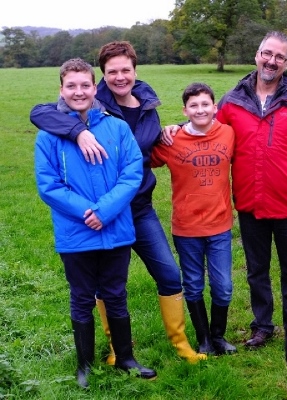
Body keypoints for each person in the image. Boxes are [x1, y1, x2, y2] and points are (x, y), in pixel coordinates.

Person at [30, 41, 205, 364]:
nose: (120, 77)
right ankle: (117, 351)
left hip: (137, 209)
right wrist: (77, 132)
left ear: (135, 71)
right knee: (105, 287)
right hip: (97, 215)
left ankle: (181, 345)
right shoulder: (95, 102)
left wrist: (173, 128)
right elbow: (41, 112)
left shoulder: (148, 104)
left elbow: (142, 156)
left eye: (126, 70)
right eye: (112, 72)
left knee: (168, 274)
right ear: (101, 78)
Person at [161, 31, 287, 349]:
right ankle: (263, 326)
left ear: (286, 62)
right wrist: (176, 128)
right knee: (256, 270)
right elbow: (205, 126)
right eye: (267, 53)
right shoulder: (233, 99)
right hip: (249, 203)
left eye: (279, 56)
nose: (272, 60)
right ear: (257, 54)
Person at [34, 58, 156, 388]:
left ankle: (126, 358)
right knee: (82, 298)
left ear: (94, 87)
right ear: (61, 89)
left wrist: (105, 211)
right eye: (71, 86)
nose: (79, 91)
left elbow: (131, 173)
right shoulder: (48, 136)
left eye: (85, 85)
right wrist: (87, 212)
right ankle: (85, 365)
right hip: (76, 234)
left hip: (115, 230)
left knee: (116, 294)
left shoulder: (116, 127)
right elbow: (48, 185)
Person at [150, 82, 237, 356]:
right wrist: (164, 132)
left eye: (205, 104)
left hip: (220, 225)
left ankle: (219, 336)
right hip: (187, 227)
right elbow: (144, 158)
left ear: (215, 108)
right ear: (185, 110)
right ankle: (204, 339)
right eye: (193, 105)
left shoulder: (229, 134)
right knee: (194, 284)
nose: (200, 109)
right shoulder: (172, 140)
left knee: (223, 287)